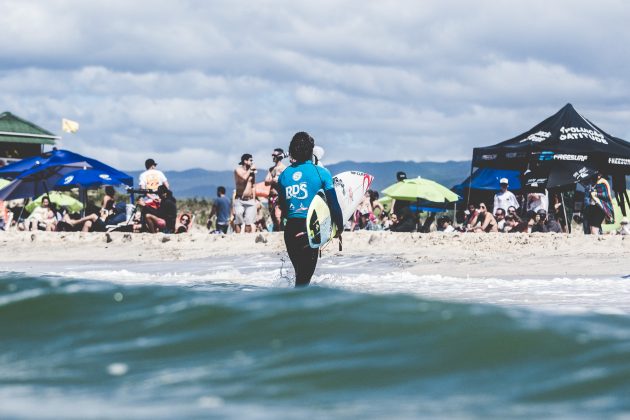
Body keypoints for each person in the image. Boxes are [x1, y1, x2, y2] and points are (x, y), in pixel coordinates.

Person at [277, 132, 343, 287]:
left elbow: (284, 209)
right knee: (303, 283)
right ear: (310, 151)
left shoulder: (283, 176)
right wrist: (339, 227)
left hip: (291, 232)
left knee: (300, 276)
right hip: (310, 229)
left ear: (292, 151)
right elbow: (333, 204)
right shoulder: (321, 173)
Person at [233, 153, 257, 233]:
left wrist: (254, 199)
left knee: (248, 222)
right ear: (245, 161)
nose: (252, 162)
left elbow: (253, 186)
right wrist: (250, 170)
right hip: (240, 199)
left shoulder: (252, 172)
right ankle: (237, 238)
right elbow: (244, 178)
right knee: (238, 221)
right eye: (250, 160)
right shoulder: (238, 170)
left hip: (250, 200)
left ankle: (247, 238)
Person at [265, 148, 287, 231]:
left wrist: (275, 180)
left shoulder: (284, 168)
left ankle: (281, 231)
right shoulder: (271, 169)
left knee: (278, 216)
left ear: (279, 156)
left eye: (274, 155)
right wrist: (273, 180)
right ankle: (278, 232)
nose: (273, 157)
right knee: (273, 217)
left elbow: (285, 181)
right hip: (271, 195)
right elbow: (266, 182)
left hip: (279, 195)